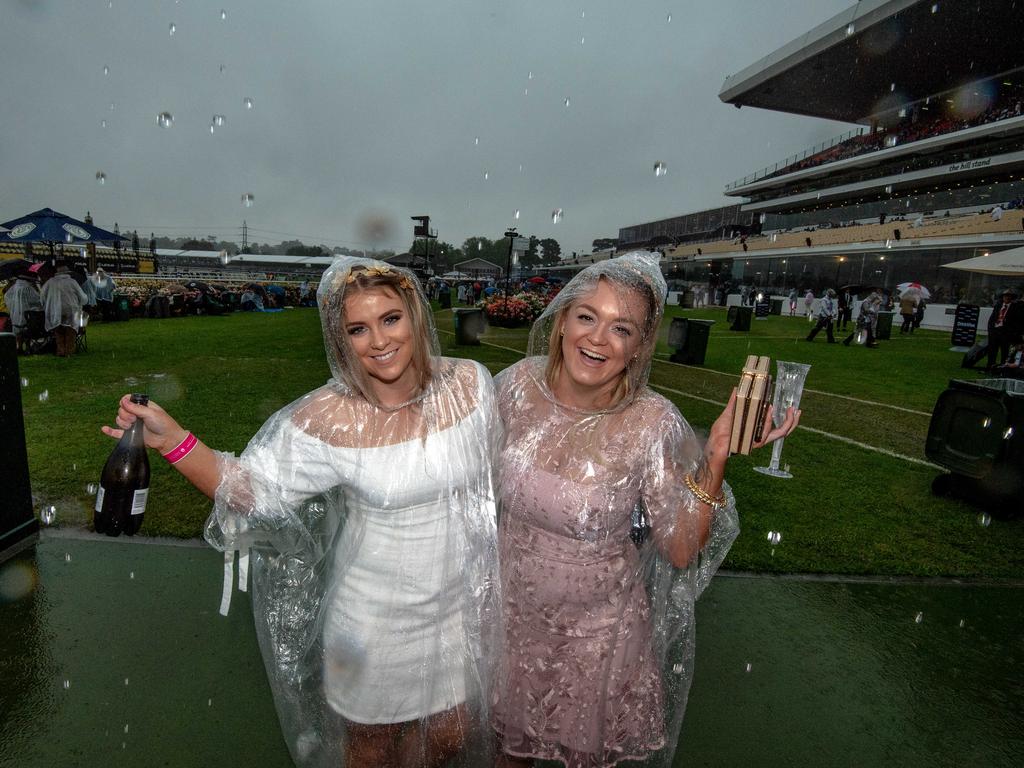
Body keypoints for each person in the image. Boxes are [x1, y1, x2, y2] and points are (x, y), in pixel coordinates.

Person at [102, 257, 501, 768]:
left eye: (390, 319)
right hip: (372, 626)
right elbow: (253, 490)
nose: (379, 341)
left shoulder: (471, 384)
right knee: (372, 752)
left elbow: (496, 476)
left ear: (417, 317)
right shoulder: (327, 418)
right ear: (340, 341)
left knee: (450, 738)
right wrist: (176, 441)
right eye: (358, 328)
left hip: (455, 612)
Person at [491, 252, 799, 768]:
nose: (597, 339)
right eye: (587, 316)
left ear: (639, 346)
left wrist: (715, 458)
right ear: (562, 319)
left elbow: (680, 548)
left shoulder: (652, 423)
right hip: (512, 625)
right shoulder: (515, 388)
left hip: (598, 644)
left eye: (621, 328)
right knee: (508, 758)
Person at [40, 264, 88, 357]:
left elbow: (42, 296)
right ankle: (69, 351)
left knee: (59, 331)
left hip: (55, 311)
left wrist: (46, 305)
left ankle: (61, 351)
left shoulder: (50, 282)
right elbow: (83, 298)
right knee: (70, 331)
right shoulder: (72, 282)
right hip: (71, 310)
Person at [4, 272, 43, 353]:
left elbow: (6, 297)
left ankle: (19, 347)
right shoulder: (28, 287)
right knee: (27, 329)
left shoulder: (14, 287)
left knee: (19, 331)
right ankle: (27, 347)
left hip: (16, 314)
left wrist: (13, 308)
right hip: (28, 314)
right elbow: (37, 301)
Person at [986, 288, 1024, 369]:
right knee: (992, 350)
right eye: (1006, 296)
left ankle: (1003, 368)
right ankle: (990, 367)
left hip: (1006, 333)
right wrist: (991, 331)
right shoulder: (998, 306)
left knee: (1005, 351)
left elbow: (1018, 322)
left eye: (1009, 296)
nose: (1007, 297)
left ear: (1012, 297)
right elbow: (992, 319)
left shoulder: (1015, 308)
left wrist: (1011, 332)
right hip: (995, 331)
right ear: (1003, 297)